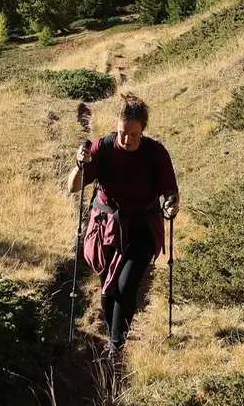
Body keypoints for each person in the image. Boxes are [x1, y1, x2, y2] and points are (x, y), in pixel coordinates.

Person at [68, 91, 179, 354]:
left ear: (143, 130)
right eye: (122, 133)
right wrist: (79, 164)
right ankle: (113, 332)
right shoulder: (102, 148)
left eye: (134, 134)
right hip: (105, 228)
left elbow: (170, 190)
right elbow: (74, 187)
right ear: (116, 126)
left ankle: (116, 347)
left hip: (142, 227)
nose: (127, 139)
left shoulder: (156, 153)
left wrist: (171, 204)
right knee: (107, 290)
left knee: (125, 285)